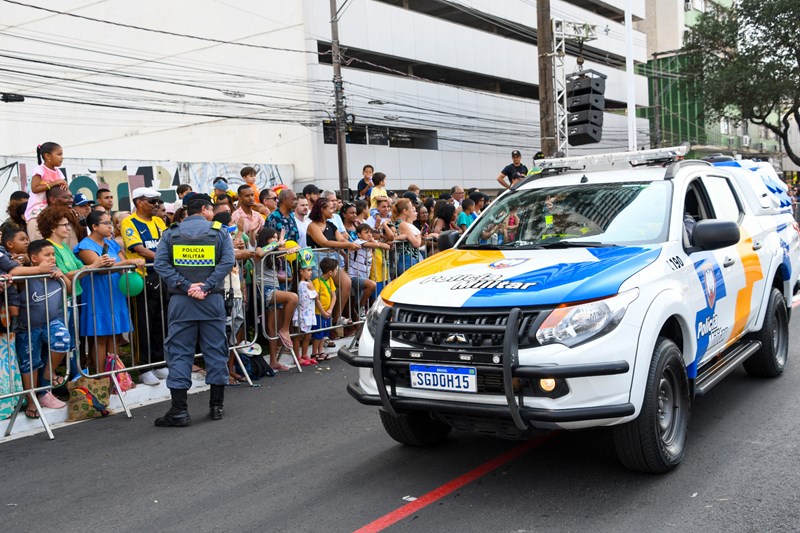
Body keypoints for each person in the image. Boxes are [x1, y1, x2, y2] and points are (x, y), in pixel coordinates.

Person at [153, 193, 235, 426]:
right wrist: (207, 286)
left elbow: (161, 264)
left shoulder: (171, 233)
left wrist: (187, 286)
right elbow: (227, 262)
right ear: (206, 209)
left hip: (182, 301)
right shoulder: (219, 232)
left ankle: (179, 411)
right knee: (216, 350)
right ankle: (216, 407)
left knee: (179, 353)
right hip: (212, 301)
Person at [76, 211, 144, 373]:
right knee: (100, 337)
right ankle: (102, 377)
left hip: (115, 291)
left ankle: (116, 375)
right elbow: (99, 268)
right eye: (106, 223)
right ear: (94, 226)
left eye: (110, 223)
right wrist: (128, 262)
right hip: (97, 294)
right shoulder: (85, 246)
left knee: (114, 335)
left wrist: (131, 264)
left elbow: (121, 264)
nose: (110, 226)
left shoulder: (112, 243)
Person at [15, 239, 71, 418]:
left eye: (53, 254)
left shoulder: (55, 273)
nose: (52, 258)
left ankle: (48, 376)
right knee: (29, 363)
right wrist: (38, 271)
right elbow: (13, 271)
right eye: (47, 255)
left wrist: (62, 275)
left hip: (51, 321)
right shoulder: (26, 276)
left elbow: (69, 289)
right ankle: (32, 401)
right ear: (34, 258)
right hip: (27, 327)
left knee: (63, 340)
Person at [121, 187, 169, 386]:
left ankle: (159, 362)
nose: (156, 205)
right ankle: (144, 367)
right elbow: (138, 248)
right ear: (139, 202)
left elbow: (168, 243)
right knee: (143, 323)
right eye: (151, 201)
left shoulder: (159, 221)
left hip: (161, 276)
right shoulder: (129, 222)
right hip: (142, 279)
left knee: (160, 321)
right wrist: (163, 258)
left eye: (157, 201)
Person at [254, 227, 298, 371]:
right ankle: (285, 329)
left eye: (276, 237)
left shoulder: (274, 252)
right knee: (293, 297)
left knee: (272, 326)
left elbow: (297, 247)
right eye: (272, 237)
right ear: (265, 238)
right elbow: (260, 253)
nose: (274, 239)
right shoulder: (261, 249)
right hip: (265, 289)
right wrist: (277, 243)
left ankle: (273, 361)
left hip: (275, 288)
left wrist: (290, 249)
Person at [347, 223, 387, 317]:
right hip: (353, 277)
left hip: (364, 276)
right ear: (359, 235)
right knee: (372, 285)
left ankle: (360, 309)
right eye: (366, 233)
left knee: (359, 311)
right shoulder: (358, 242)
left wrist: (374, 241)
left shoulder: (370, 245)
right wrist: (376, 242)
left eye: (370, 233)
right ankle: (361, 306)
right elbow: (381, 245)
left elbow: (387, 247)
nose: (369, 235)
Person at [24, 142, 68, 226]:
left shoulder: (59, 172)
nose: (62, 158)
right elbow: (34, 188)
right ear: (47, 156)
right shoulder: (40, 169)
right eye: (59, 154)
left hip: (52, 209)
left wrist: (64, 185)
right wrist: (53, 183)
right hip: (37, 210)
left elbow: (62, 188)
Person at [312, 257, 338, 361]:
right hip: (319, 312)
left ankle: (321, 351)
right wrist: (323, 312)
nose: (336, 271)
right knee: (318, 333)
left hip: (327, 312)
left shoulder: (330, 280)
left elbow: (334, 296)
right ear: (330, 272)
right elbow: (316, 299)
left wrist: (330, 310)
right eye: (335, 269)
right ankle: (314, 352)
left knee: (324, 333)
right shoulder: (317, 281)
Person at [293, 264, 317, 366]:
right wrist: (312, 288)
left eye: (311, 270)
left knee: (308, 335)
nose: (311, 272)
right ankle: (297, 356)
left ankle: (304, 354)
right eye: (308, 270)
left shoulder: (308, 283)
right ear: (301, 272)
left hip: (309, 313)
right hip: (303, 313)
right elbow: (315, 296)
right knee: (299, 336)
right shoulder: (303, 284)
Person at [391, 199, 423, 277]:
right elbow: (416, 243)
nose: (413, 209)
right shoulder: (403, 224)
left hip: (406, 258)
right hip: (408, 259)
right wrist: (419, 235)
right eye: (411, 207)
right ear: (405, 211)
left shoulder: (398, 222)